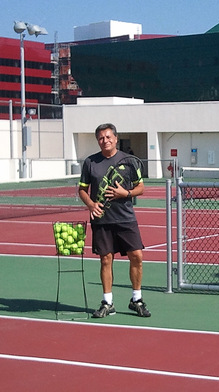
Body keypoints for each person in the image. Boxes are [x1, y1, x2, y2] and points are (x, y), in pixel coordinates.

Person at [78, 123, 151, 318]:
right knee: (105, 259)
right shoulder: (90, 162)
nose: (105, 140)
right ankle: (107, 303)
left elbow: (141, 188)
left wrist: (124, 193)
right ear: (98, 141)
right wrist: (91, 205)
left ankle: (136, 300)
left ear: (116, 138)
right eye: (101, 138)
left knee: (137, 256)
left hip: (126, 218)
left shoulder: (129, 161)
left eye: (108, 137)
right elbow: (82, 190)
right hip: (101, 220)